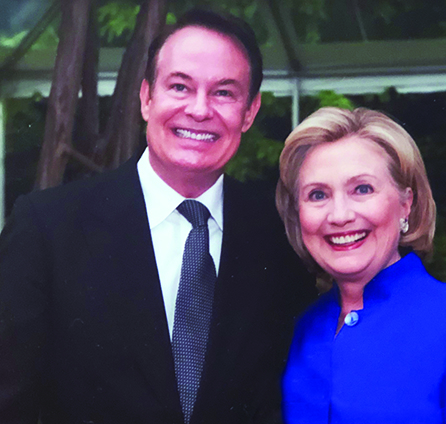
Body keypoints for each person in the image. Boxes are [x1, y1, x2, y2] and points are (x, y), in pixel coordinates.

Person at [0, 9, 316, 424]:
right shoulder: (48, 228)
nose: (199, 110)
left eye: (224, 92)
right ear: (146, 97)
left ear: (249, 111)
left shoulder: (281, 238)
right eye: (180, 86)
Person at [276, 107, 446, 423]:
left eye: (362, 189)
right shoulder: (305, 327)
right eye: (318, 194)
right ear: (298, 214)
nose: (339, 215)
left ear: (406, 203)